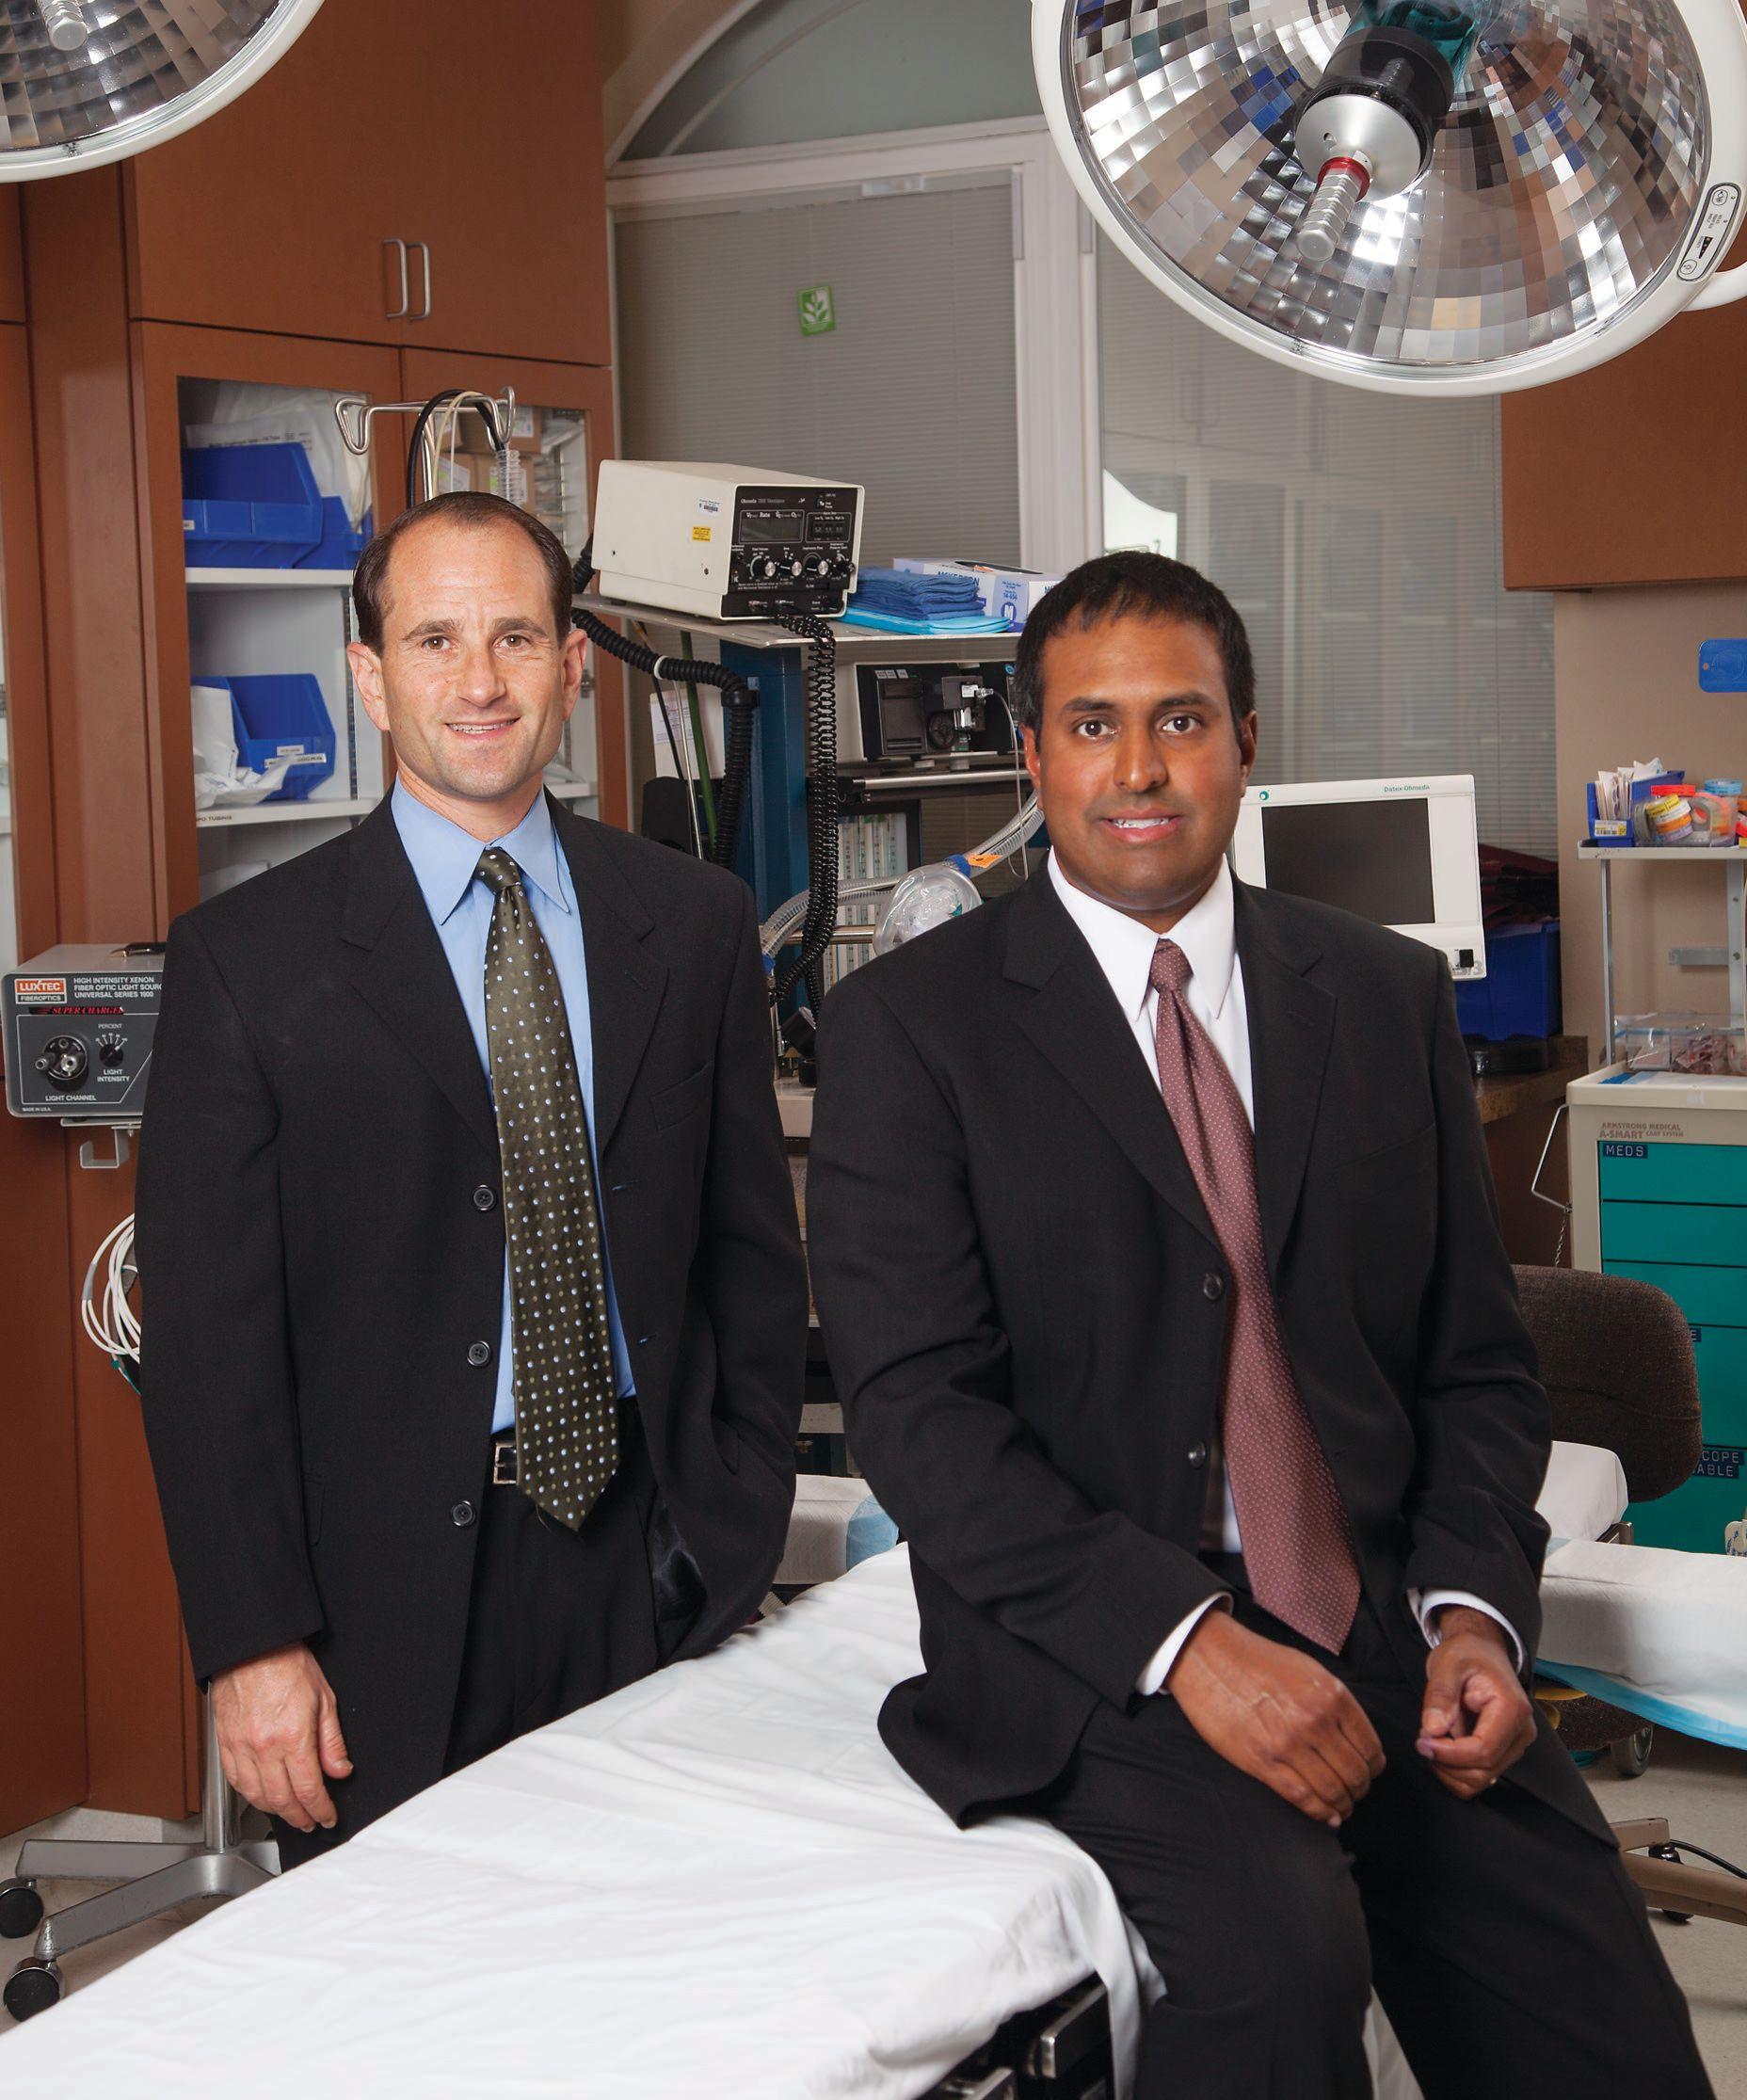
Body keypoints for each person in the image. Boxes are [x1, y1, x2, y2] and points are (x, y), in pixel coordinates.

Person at [807, 553, 1709, 2099]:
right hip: (1098, 1654)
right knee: (1283, 1960)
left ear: (1245, 741)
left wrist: (1475, 1612)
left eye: (1180, 721)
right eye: (1091, 726)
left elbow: (1475, 1363)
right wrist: (1191, 1643)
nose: (1138, 770)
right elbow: (921, 1417)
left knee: (1601, 2010)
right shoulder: (912, 1030)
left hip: (1382, 1623)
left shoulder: (1379, 994)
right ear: (1032, 753)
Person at [137, 492, 805, 1866]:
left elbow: (749, 1257)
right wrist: (253, 1644)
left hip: (651, 1552)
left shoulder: (693, 923)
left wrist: (737, 1515)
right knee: (418, 1971)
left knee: (666, 1938)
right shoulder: (247, 963)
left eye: (516, 636)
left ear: (573, 665)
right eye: (435, 640)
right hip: (380, 1600)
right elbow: (208, 1350)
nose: (481, 681)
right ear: (371, 678)